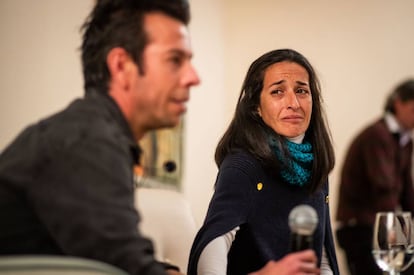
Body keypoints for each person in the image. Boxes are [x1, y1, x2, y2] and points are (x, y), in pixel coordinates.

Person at [0, 1, 200, 274]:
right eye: (175, 60)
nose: (193, 77)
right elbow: (131, 269)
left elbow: (115, 258)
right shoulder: (88, 141)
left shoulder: (93, 134)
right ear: (121, 66)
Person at [187, 48, 339, 275]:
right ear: (256, 107)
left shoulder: (314, 168)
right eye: (278, 91)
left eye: (301, 91)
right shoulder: (243, 165)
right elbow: (212, 251)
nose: (293, 103)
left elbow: (322, 259)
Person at [336, 79, 414, 275]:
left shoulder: (405, 140)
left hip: (379, 225)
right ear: (398, 104)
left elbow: (406, 192)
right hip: (360, 228)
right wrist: (398, 235)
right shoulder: (377, 136)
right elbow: (384, 189)